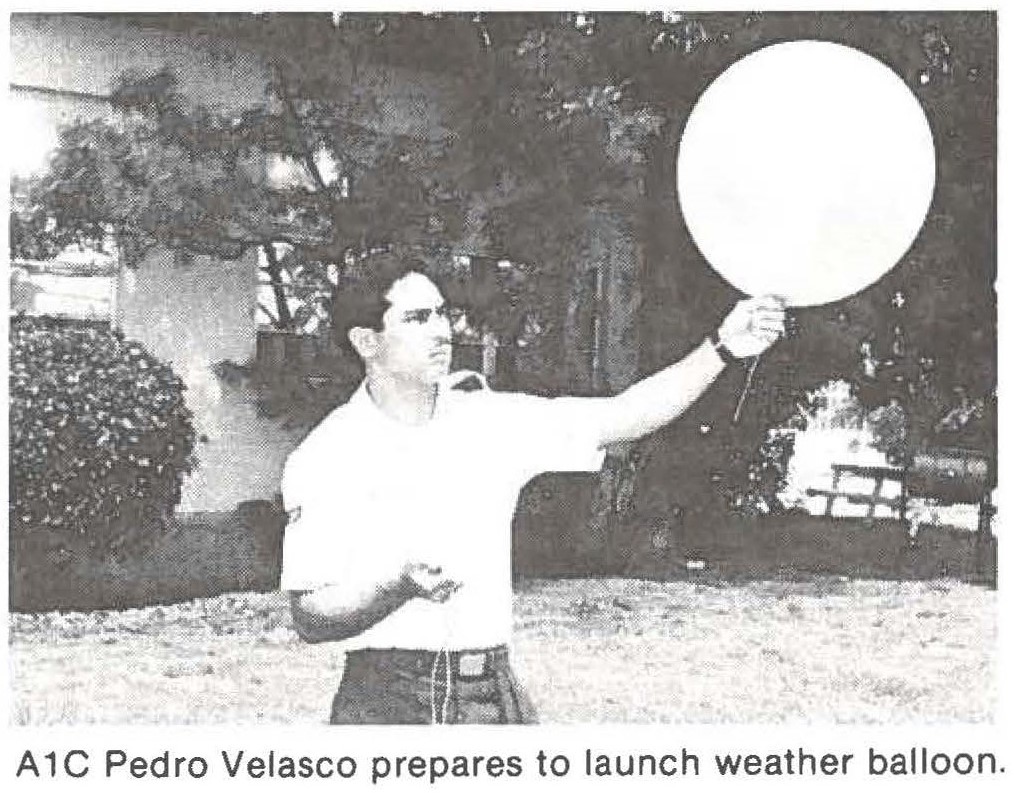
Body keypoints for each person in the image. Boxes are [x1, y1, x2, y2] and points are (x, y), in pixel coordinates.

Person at [280, 254, 785, 724]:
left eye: (440, 314)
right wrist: (394, 586)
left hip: (492, 695)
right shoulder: (328, 454)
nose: (441, 331)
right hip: (386, 704)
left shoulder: (490, 420)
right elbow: (309, 616)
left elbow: (625, 415)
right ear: (367, 342)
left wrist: (722, 346)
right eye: (416, 319)